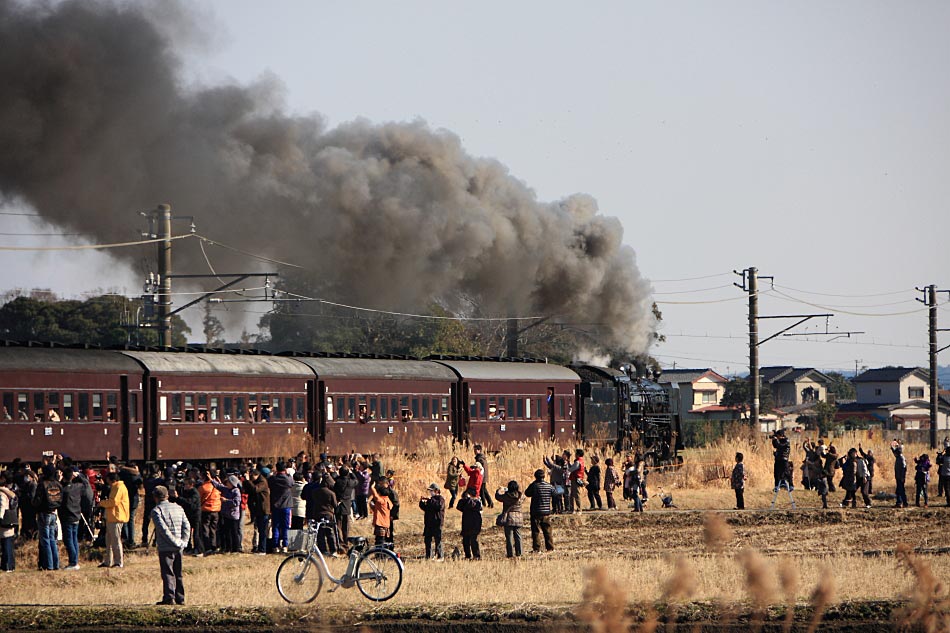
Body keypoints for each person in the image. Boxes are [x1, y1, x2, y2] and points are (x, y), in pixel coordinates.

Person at [150, 485, 190, 605]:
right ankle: (180, 598)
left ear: (155, 497)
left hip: (166, 546)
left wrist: (175, 542)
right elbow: (186, 526)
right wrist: (183, 541)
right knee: (178, 573)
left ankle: (169, 597)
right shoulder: (178, 508)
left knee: (168, 572)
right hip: (179, 546)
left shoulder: (156, 511)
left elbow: (163, 530)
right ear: (167, 496)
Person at [33, 464, 63, 571]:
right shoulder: (58, 484)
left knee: (45, 540)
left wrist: (35, 506)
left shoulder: (43, 484)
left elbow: (37, 500)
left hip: (44, 513)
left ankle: (49, 565)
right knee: (52, 540)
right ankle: (56, 564)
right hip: (54, 513)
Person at [98, 471, 129, 568]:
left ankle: (118, 562)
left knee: (116, 541)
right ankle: (108, 561)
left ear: (113, 480)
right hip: (112, 517)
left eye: (108, 481)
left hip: (117, 517)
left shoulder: (118, 487)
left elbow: (113, 502)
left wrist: (101, 503)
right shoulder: (116, 487)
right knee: (109, 541)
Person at [60, 468, 90, 570]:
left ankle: (73, 562)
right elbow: (86, 484)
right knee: (74, 540)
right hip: (76, 515)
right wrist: (79, 475)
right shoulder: (78, 487)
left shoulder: (63, 490)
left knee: (69, 540)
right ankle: (75, 561)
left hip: (67, 517)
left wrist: (59, 479)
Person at [524, 468, 554, 553]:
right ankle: (550, 548)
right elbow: (555, 493)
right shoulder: (549, 486)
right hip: (546, 512)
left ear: (535, 477)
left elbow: (527, 493)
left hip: (536, 511)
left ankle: (537, 549)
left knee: (536, 531)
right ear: (544, 477)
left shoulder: (534, 485)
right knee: (547, 531)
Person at [268, 462, 294, 553]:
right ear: (285, 469)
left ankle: (275, 545)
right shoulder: (288, 479)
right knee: (286, 526)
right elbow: (292, 483)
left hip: (275, 505)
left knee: (275, 526)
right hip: (286, 505)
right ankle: (285, 545)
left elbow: (269, 481)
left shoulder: (273, 479)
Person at [495, 480, 524, 558]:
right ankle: (520, 553)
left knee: (509, 537)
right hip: (518, 517)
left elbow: (497, 497)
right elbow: (524, 497)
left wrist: (499, 490)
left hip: (508, 518)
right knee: (518, 536)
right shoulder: (521, 496)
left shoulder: (506, 496)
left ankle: (510, 554)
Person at [244, 468, 270, 554]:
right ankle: (259, 548)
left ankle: (263, 549)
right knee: (259, 530)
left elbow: (255, 489)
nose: (251, 478)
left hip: (263, 509)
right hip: (258, 509)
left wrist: (248, 481)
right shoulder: (257, 481)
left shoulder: (263, 482)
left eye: (252, 476)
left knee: (263, 530)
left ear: (256, 475)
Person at [213, 475, 242, 553]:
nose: (227, 483)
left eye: (228, 482)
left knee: (234, 533)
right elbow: (219, 486)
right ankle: (228, 548)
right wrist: (212, 480)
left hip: (233, 516)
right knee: (227, 532)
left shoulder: (236, 491)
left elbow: (236, 503)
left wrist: (226, 500)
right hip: (226, 514)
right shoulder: (226, 489)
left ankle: (235, 549)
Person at [171, 478, 200, 554]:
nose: (184, 486)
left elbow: (189, 502)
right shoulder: (185, 491)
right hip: (187, 514)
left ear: (191, 485)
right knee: (186, 532)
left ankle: (198, 548)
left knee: (196, 533)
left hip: (195, 515)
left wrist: (178, 497)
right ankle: (188, 547)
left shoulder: (195, 492)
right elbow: (181, 501)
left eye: (186, 484)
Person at [418, 483, 445, 560]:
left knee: (438, 540)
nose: (430, 492)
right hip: (429, 523)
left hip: (437, 523)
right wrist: (421, 502)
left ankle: (440, 555)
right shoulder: (431, 500)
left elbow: (438, 506)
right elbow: (426, 508)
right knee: (427, 540)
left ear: (437, 491)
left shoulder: (440, 499)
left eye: (432, 491)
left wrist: (430, 500)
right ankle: (428, 555)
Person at [197, 470, 221, 555]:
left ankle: (207, 547)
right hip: (216, 510)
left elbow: (198, 499)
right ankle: (214, 546)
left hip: (206, 510)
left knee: (205, 529)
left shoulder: (203, 487)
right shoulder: (217, 486)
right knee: (213, 529)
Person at [456, 489, 482, 560]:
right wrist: (464, 499)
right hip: (466, 525)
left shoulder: (477, 502)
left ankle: (476, 556)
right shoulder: (465, 503)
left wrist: (469, 499)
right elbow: (459, 506)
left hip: (474, 525)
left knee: (474, 541)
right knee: (465, 541)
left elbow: (472, 505)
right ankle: (468, 556)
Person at [369, 479, 393, 546]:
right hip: (385, 523)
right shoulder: (387, 500)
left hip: (381, 524)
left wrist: (372, 488)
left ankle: (380, 555)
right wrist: (372, 506)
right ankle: (381, 555)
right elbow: (379, 510)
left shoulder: (382, 501)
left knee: (379, 542)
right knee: (380, 541)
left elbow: (376, 497)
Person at [0, 471, 16, 571]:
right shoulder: (10, 493)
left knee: (6, 546)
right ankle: (10, 565)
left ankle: (7, 566)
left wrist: (0, 517)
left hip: (4, 522)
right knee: (9, 544)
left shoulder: (1, 494)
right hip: (11, 520)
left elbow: (1, 506)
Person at [567, 449, 586, 514]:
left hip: (575, 479)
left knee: (576, 494)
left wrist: (569, 466)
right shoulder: (581, 461)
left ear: (578, 454)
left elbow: (570, 469)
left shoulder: (578, 462)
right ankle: (573, 509)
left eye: (576, 453)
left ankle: (578, 509)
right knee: (572, 494)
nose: (575, 455)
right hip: (578, 479)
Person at [891, 440, 909, 508]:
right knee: (899, 491)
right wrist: (892, 447)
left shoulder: (901, 458)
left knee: (901, 491)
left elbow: (904, 469)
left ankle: (903, 503)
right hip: (898, 477)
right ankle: (899, 502)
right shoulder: (898, 457)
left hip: (900, 478)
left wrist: (902, 477)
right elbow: (894, 452)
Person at [937, 438, 950, 506]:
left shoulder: (944, 458)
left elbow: (938, 462)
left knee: (947, 489)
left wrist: (940, 454)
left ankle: (949, 501)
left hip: (945, 475)